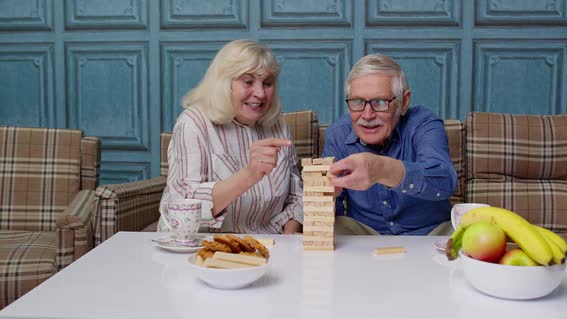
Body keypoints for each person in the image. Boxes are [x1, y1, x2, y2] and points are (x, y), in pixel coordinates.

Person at [158, 39, 303, 235]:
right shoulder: (193, 123)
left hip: (269, 248)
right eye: (248, 81)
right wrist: (249, 175)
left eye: (267, 83)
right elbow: (182, 206)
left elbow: (296, 196)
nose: (260, 93)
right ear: (224, 84)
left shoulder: (277, 125)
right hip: (202, 248)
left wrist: (290, 237)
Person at [322, 54, 457, 235]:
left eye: (380, 102)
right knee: (336, 228)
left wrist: (381, 169)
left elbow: (445, 181)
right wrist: (326, 197)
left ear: (404, 102)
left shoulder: (423, 123)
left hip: (430, 234)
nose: (367, 115)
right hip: (366, 237)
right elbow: (331, 213)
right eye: (358, 102)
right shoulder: (338, 134)